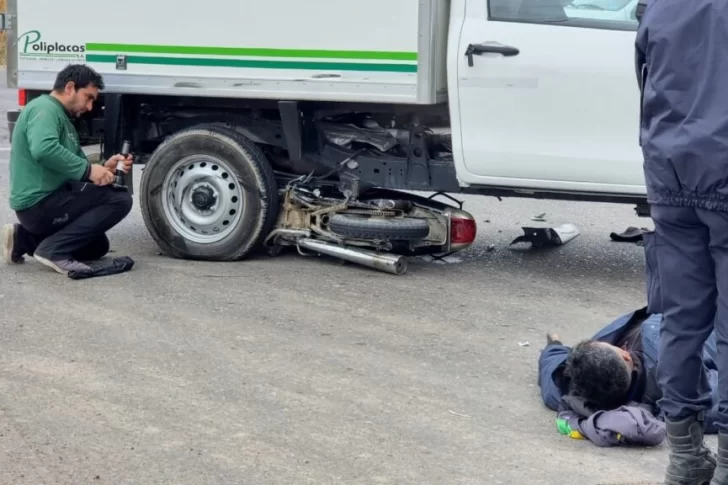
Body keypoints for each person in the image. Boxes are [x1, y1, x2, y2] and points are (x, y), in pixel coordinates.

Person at [636, 0, 728, 483]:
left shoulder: (659, 5)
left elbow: (645, 83)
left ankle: (686, 459)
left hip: (670, 176)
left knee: (681, 321)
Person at [2, 64, 133, 275]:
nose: (90, 107)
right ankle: (53, 251)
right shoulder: (44, 108)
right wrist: (89, 171)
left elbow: (71, 164)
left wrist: (104, 167)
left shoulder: (62, 118)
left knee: (97, 245)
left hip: (49, 203)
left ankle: (23, 239)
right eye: (88, 97)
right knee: (120, 199)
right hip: (39, 205)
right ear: (70, 87)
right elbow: (44, 150)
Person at [538, 307, 720, 434]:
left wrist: (554, 344)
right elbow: (717, 401)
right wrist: (673, 416)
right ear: (625, 354)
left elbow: (551, 366)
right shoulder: (672, 373)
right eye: (606, 345)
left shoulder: (568, 385)